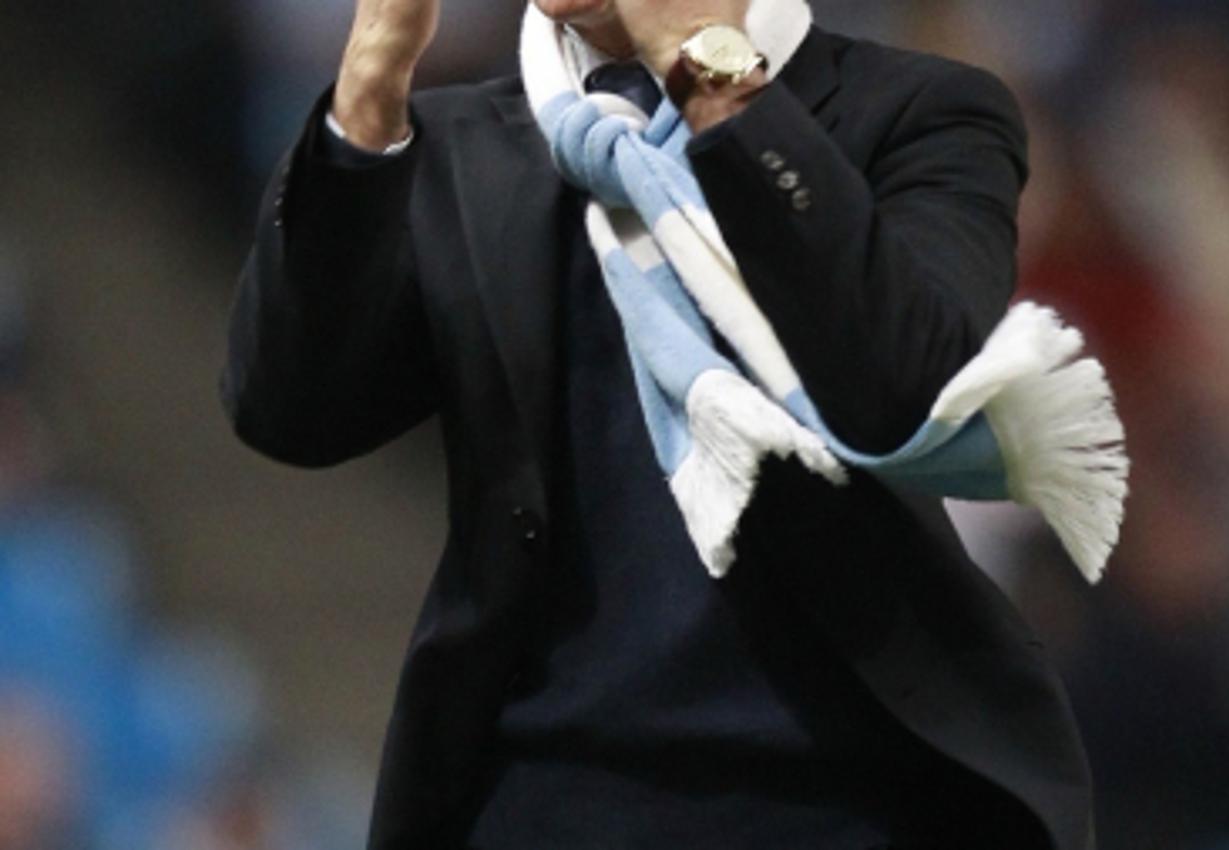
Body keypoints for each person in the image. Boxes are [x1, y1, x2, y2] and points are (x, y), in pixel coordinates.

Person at [221, 0, 1097, 847]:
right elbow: (293, 411)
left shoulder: (917, 111)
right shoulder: (465, 141)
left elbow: (912, 385)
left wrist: (712, 76)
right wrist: (372, 84)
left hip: (840, 796)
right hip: (537, 795)